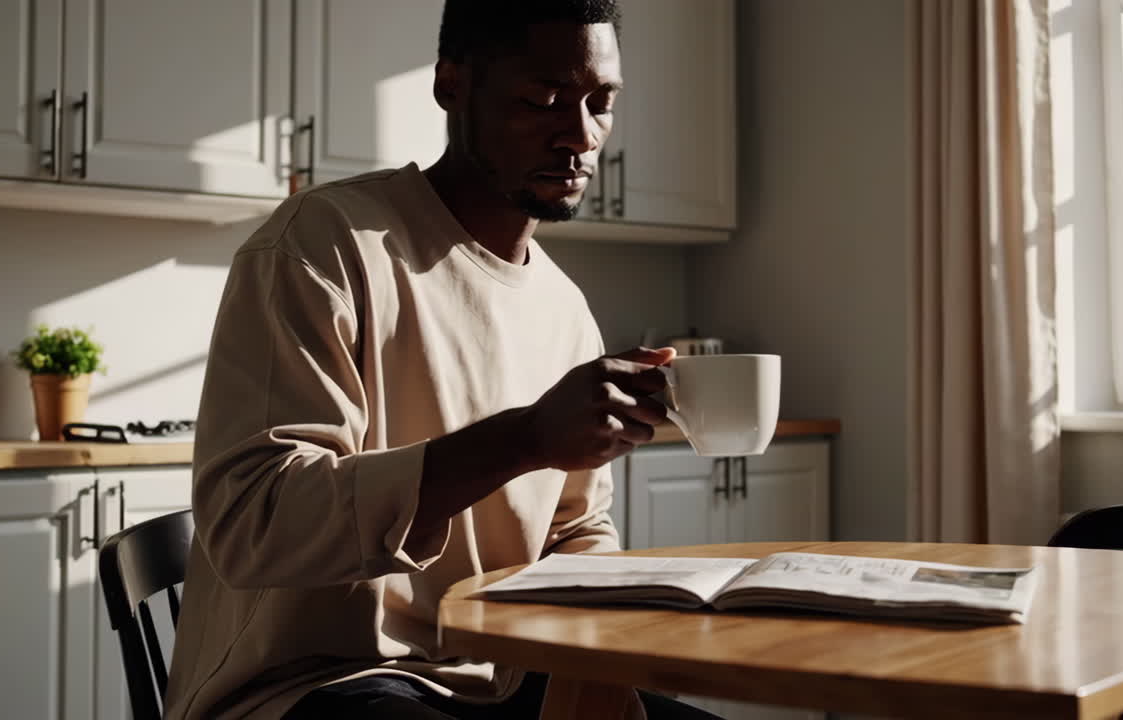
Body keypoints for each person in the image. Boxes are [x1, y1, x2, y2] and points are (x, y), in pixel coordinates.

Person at [164, 1, 721, 718]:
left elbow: (575, 530)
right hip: (318, 684)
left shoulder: (564, 308)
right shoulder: (323, 245)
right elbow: (254, 522)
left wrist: (625, 622)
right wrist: (523, 439)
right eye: (540, 100)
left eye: (601, 103)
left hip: (506, 677)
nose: (580, 135)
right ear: (450, 85)